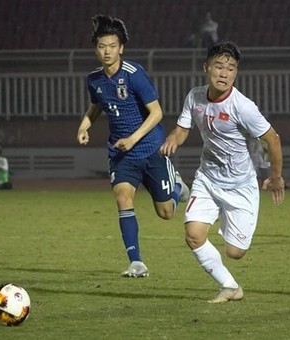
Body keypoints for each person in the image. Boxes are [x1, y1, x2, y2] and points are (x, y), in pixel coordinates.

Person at [160, 41, 285, 303]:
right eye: (219, 66)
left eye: (231, 69)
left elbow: (272, 138)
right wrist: (173, 137)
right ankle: (230, 287)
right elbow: (183, 128)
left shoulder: (243, 107)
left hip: (240, 185)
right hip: (207, 179)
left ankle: (228, 235)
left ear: (236, 73)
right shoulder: (195, 97)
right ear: (206, 67)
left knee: (235, 252)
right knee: (193, 235)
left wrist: (275, 176)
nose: (224, 73)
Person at [76, 14, 189, 279]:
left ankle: (177, 186)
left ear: (121, 48)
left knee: (166, 213)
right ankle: (136, 262)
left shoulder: (134, 74)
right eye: (102, 46)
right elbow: (96, 106)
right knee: (123, 197)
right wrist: (84, 125)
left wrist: (133, 138)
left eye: (112, 46)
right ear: (96, 48)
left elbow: (157, 113)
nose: (107, 51)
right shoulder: (94, 79)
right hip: (121, 154)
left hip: (150, 149)